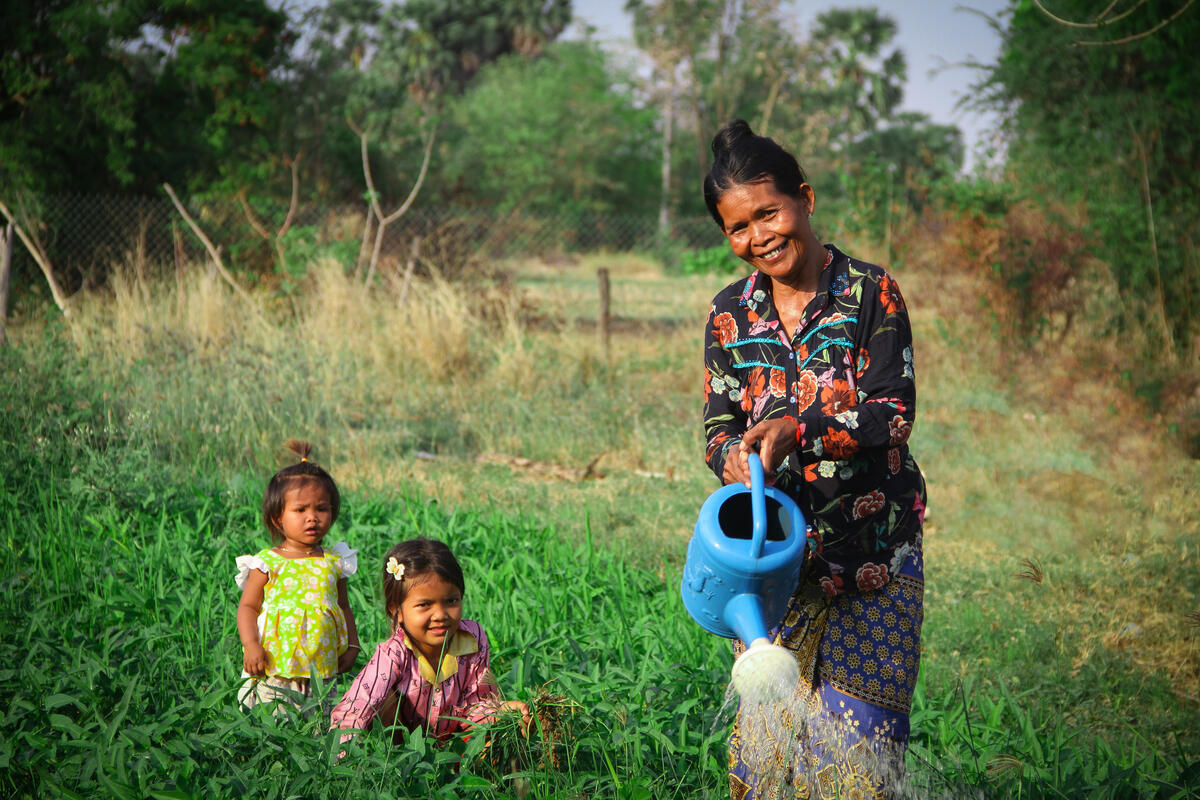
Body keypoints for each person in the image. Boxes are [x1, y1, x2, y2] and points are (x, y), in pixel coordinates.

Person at [701, 120, 926, 799]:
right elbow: (716, 427)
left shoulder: (869, 294)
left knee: (858, 765)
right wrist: (734, 463)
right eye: (738, 229)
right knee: (765, 758)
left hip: (872, 561)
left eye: (768, 213)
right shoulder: (727, 315)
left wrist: (801, 428)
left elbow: (894, 415)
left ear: (804, 197)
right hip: (770, 570)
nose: (758, 238)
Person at [329, 537, 530, 746]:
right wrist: (339, 755)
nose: (440, 615)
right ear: (396, 610)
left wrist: (500, 711)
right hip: (400, 752)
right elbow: (358, 705)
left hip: (454, 745)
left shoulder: (472, 638)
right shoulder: (393, 653)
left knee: (503, 735)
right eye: (425, 604)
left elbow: (475, 704)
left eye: (451, 601)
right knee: (382, 699)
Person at [235, 440, 360, 709]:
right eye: (300, 510)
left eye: (321, 509)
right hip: (276, 665)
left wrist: (353, 645)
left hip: (323, 668)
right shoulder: (268, 562)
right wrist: (251, 645)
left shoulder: (334, 561)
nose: (312, 517)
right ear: (277, 518)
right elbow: (247, 606)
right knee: (276, 727)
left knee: (318, 729)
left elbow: (343, 606)